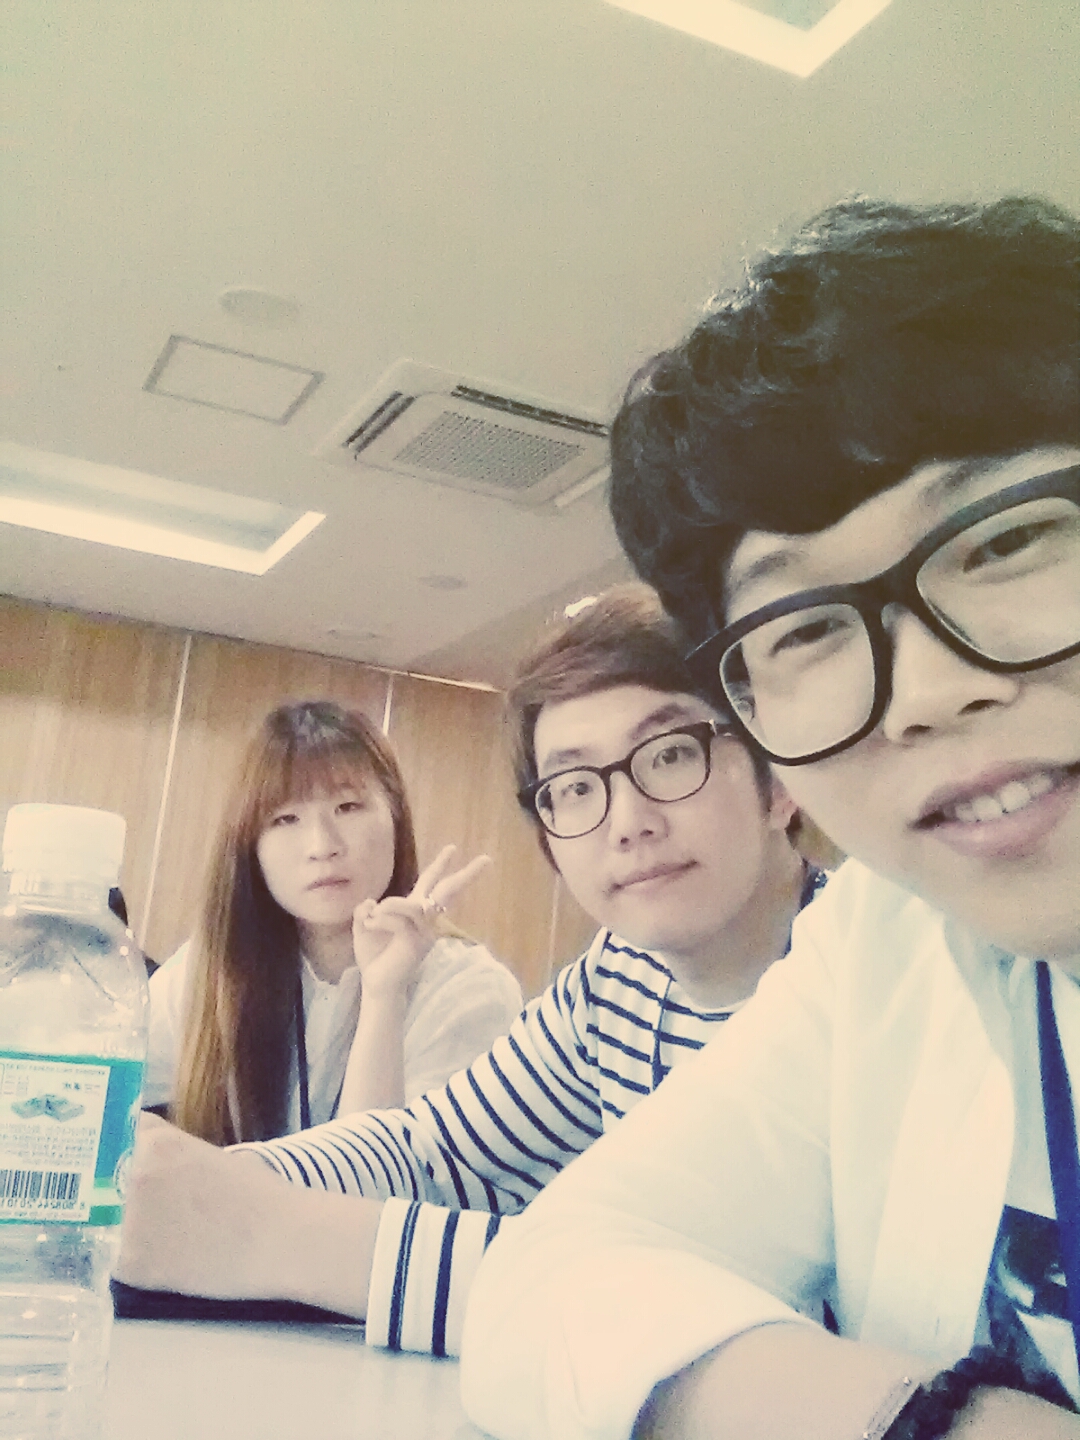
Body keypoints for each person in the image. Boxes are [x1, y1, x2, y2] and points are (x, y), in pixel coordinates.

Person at [458, 197, 1080, 1440]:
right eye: (802, 629)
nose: (925, 689)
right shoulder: (887, 947)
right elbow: (544, 1281)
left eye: (1006, 539)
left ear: (763, 779)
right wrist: (928, 1425)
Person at [116, 587, 828, 1355]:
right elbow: (434, 1150)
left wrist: (269, 1233)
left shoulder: (860, 978)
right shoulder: (616, 980)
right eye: (575, 788)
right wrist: (202, 1186)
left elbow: (713, 1303)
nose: (627, 823)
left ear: (780, 773)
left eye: (672, 755)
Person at [142, 699, 522, 1142]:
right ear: (249, 845)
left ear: (397, 817)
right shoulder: (205, 972)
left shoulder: (467, 989)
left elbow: (373, 1174)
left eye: (348, 807)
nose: (322, 846)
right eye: (285, 818)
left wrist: (383, 996)